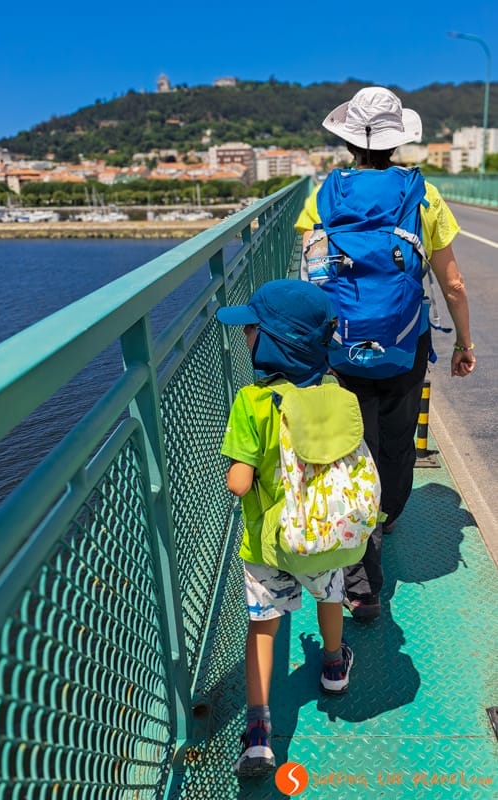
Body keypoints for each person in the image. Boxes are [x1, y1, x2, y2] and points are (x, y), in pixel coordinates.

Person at [295, 86, 476, 620]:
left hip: (340, 342)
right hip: (404, 339)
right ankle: (390, 512)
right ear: (398, 142)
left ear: (350, 141)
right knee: (397, 436)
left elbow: (311, 275)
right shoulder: (424, 194)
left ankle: (361, 586)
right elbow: (454, 283)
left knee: (351, 447)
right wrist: (464, 343)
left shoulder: (323, 194)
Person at [217, 279, 358, 778]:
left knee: (263, 627)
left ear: (275, 340)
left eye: (253, 329)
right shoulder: (336, 393)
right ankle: (335, 667)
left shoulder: (251, 402)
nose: (247, 337)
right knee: (330, 596)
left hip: (269, 543)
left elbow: (238, 483)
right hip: (324, 536)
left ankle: (258, 732)